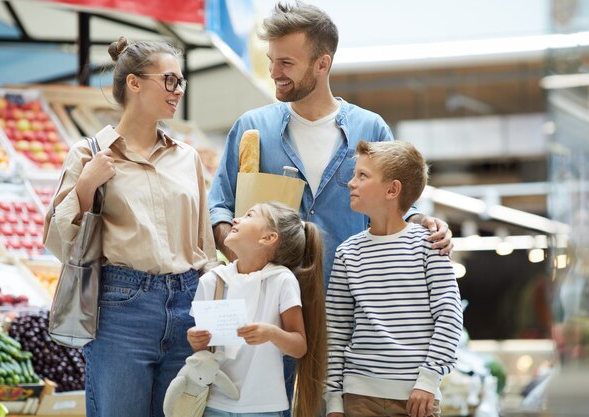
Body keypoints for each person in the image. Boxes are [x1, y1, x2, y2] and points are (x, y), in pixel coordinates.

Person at [208, 0, 453, 287]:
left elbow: (396, 207)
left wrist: (424, 222)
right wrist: (241, 262)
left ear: (322, 63)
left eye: (286, 63)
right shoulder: (251, 129)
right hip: (272, 306)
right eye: (271, 60)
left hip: (353, 302)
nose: (274, 73)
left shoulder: (370, 128)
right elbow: (220, 208)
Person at [43, 36, 218, 417]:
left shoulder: (186, 157)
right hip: (121, 308)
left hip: (188, 304)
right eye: (170, 80)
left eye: (181, 81)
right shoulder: (88, 154)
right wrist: (87, 184)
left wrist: (216, 310)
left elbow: (204, 246)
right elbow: (57, 241)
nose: (178, 91)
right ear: (134, 83)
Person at [325, 140, 463, 417]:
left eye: (362, 176)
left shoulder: (429, 245)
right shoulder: (347, 253)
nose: (351, 183)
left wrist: (428, 380)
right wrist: (334, 400)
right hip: (358, 397)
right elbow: (335, 331)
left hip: (417, 398)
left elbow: (449, 316)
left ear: (392, 189)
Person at [187, 201, 327, 417]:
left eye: (249, 215)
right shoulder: (211, 282)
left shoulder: (282, 281)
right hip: (214, 402)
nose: (235, 219)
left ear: (269, 238)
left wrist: (271, 332)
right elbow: (205, 352)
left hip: (264, 406)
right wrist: (197, 341)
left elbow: (300, 346)